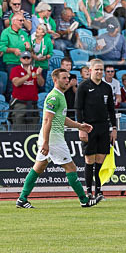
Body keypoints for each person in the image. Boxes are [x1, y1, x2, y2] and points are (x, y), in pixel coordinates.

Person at [15, 69, 103, 209]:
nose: (67, 80)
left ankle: (22, 199)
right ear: (55, 80)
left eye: (68, 78)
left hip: (50, 138)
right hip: (53, 139)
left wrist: (79, 126)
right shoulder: (54, 97)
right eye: (64, 78)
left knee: (38, 167)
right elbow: (47, 120)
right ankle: (84, 200)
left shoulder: (60, 96)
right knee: (71, 167)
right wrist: (46, 142)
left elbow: (62, 119)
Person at [75, 59, 118, 200]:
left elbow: (111, 109)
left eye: (101, 69)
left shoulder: (107, 87)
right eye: (96, 69)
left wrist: (114, 128)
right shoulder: (83, 86)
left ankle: (99, 191)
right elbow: (79, 108)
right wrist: (81, 127)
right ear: (90, 70)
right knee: (89, 160)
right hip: (89, 127)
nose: (99, 72)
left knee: (100, 160)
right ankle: (88, 191)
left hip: (104, 127)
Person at [9, 51, 43, 127]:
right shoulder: (16, 69)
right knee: (18, 128)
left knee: (33, 129)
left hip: (33, 104)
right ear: (20, 59)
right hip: (19, 104)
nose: (26, 59)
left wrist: (38, 75)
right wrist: (28, 75)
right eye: (24, 57)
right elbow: (16, 83)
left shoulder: (35, 70)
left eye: (28, 57)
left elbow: (41, 84)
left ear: (31, 59)